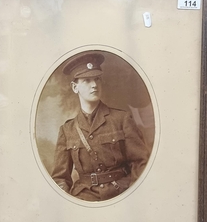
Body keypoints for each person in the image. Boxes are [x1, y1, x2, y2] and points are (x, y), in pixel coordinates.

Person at [51, 52, 150, 202]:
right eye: (86, 80)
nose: (94, 85)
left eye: (97, 79)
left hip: (121, 194)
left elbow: (141, 163)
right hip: (84, 198)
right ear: (74, 87)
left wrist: (132, 197)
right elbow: (60, 179)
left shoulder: (121, 119)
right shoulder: (67, 130)